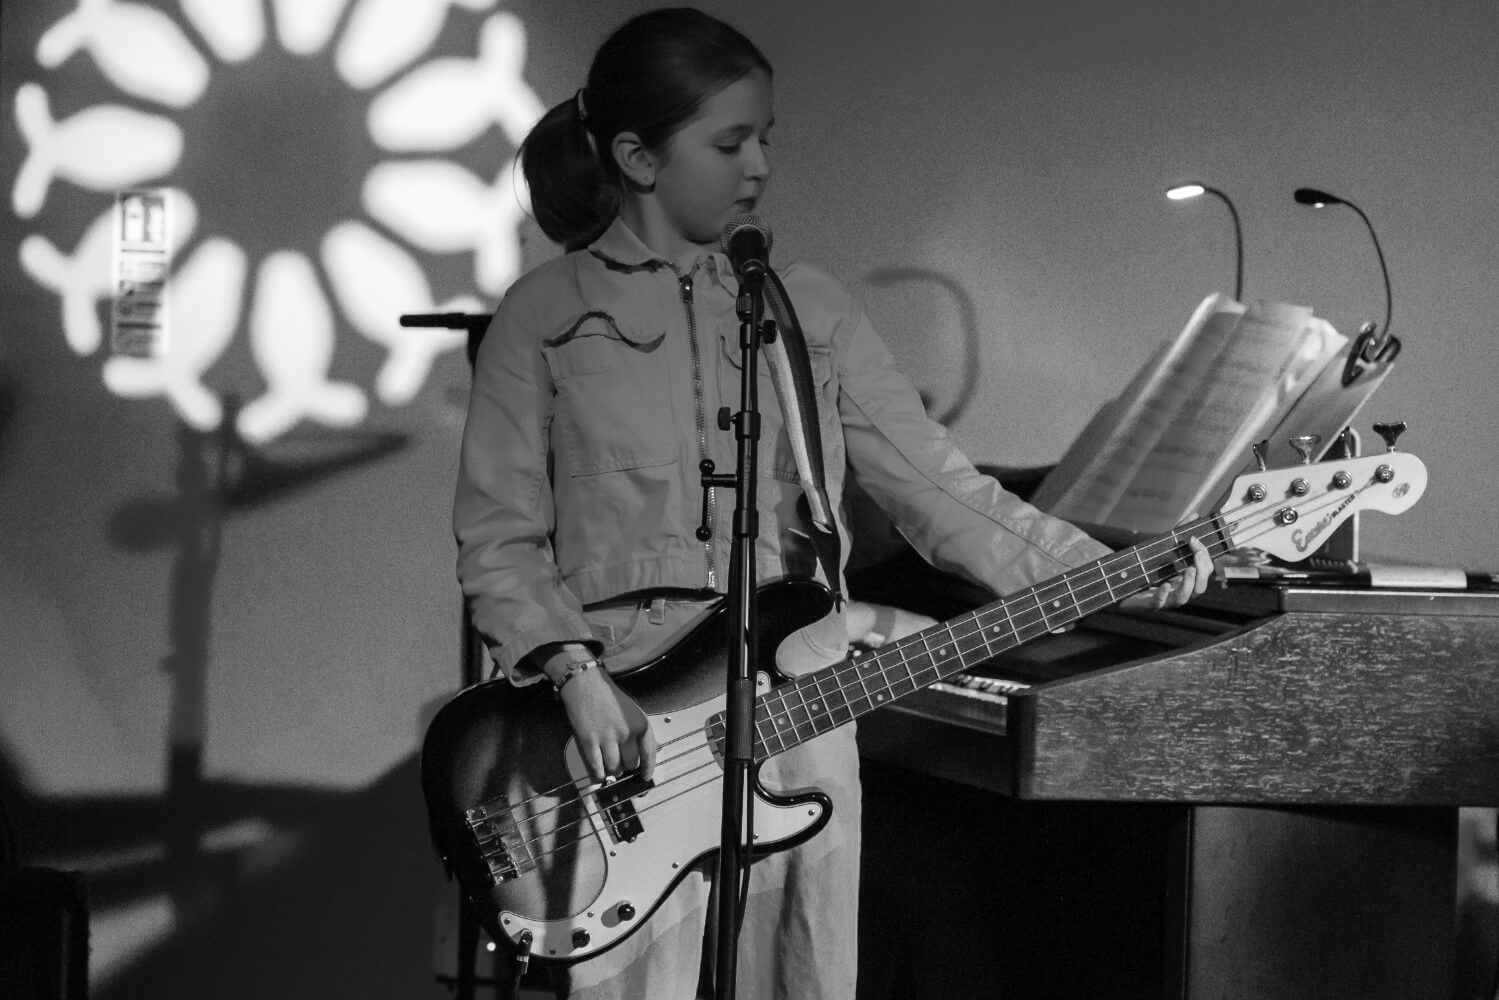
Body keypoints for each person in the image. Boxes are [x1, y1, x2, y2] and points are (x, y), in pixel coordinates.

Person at [453, 8, 1213, 999]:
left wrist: (1117, 573)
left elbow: (944, 496)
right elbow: (499, 538)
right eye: (729, 143)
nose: (759, 164)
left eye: (765, 137)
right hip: (622, 737)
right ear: (638, 157)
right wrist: (574, 673)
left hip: (799, 722)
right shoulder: (541, 316)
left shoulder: (804, 308)